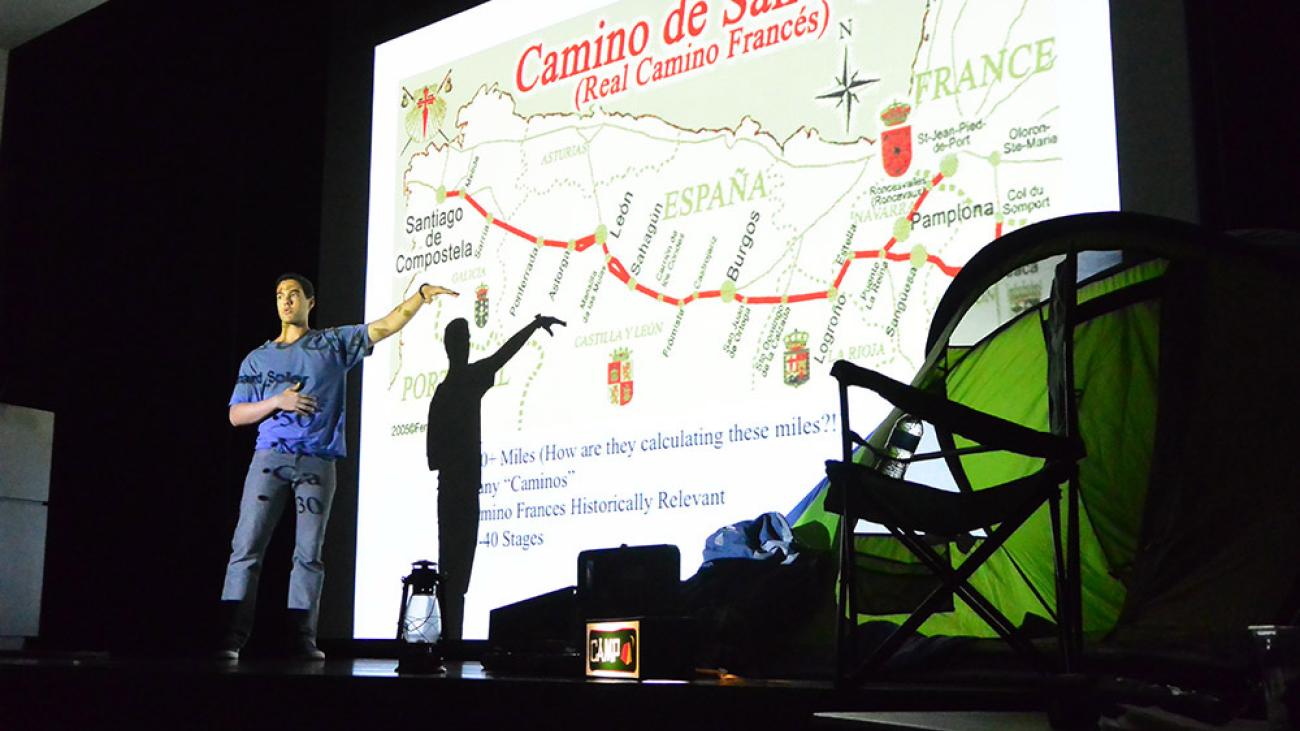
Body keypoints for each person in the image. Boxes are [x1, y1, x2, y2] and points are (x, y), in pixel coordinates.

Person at [217, 273, 457, 660]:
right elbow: (236, 415)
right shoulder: (258, 358)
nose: (286, 301)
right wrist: (277, 402)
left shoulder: (331, 343)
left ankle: (301, 638)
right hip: (269, 459)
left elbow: (385, 325)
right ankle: (229, 637)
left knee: (308, 553)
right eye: (280, 295)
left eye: (294, 294)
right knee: (245, 548)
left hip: (317, 459)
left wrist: (421, 296)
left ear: (310, 302)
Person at [426, 314, 564, 641]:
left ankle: (451, 643)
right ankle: (450, 645)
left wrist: (532, 326)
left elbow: (504, 354)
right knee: (454, 578)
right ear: (454, 346)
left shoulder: (446, 391)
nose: (465, 345)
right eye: (462, 340)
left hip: (454, 490)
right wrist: (533, 326)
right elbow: (503, 354)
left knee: (454, 576)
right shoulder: (457, 387)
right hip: (459, 491)